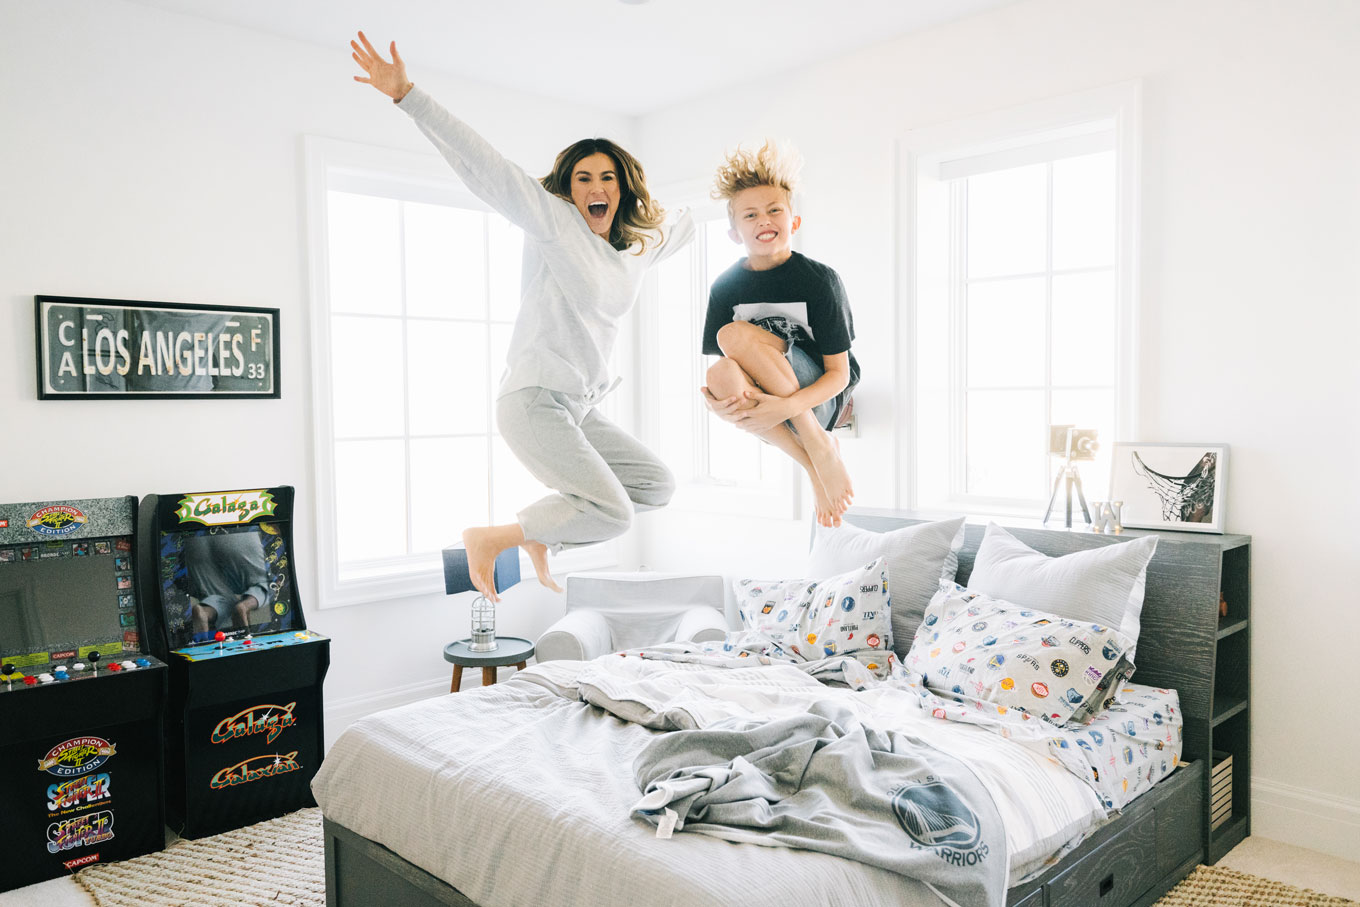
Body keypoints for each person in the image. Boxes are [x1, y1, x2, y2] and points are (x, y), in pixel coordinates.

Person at [351, 33, 694, 602]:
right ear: (568, 189)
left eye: (606, 177)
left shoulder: (635, 249)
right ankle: (492, 537)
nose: (595, 187)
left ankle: (542, 537)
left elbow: (686, 220)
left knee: (655, 485)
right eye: (582, 178)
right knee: (613, 513)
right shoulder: (554, 222)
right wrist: (408, 95)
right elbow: (484, 166)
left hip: (577, 407)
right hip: (534, 398)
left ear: (622, 187)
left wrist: (753, 209)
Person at [700, 141, 859, 527]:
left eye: (774, 210)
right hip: (770, 411)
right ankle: (813, 462)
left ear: (794, 222)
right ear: (735, 233)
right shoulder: (725, 287)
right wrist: (717, 406)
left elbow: (839, 375)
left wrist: (791, 408)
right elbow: (731, 378)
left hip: (817, 399)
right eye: (749, 214)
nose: (763, 220)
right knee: (717, 374)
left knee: (734, 336)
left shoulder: (819, 281)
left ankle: (819, 443)